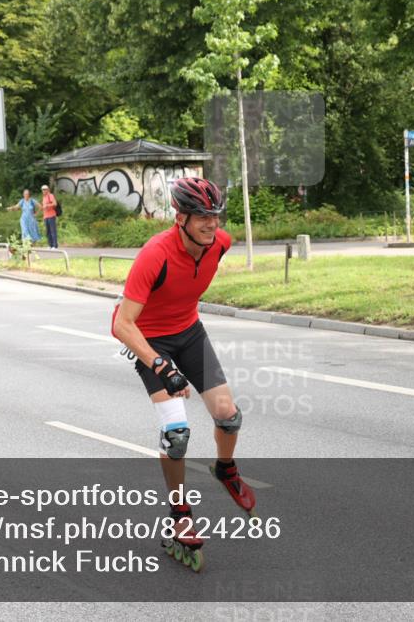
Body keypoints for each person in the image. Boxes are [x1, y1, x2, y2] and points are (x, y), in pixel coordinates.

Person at [110, 177, 253, 572]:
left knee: (229, 414)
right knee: (177, 434)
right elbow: (122, 325)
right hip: (148, 337)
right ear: (181, 217)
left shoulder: (220, 244)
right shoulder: (154, 254)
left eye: (215, 215)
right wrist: (160, 365)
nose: (212, 224)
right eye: (202, 217)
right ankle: (179, 514)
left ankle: (225, 469)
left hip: (188, 332)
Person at [41, 185, 59, 249]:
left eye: (45, 189)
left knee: (53, 231)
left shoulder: (50, 195)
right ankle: (50, 245)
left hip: (51, 215)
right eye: (43, 189)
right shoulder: (44, 197)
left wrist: (48, 205)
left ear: (48, 190)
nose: (44, 190)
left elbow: (55, 203)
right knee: (48, 232)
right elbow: (43, 207)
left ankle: (55, 245)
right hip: (46, 216)